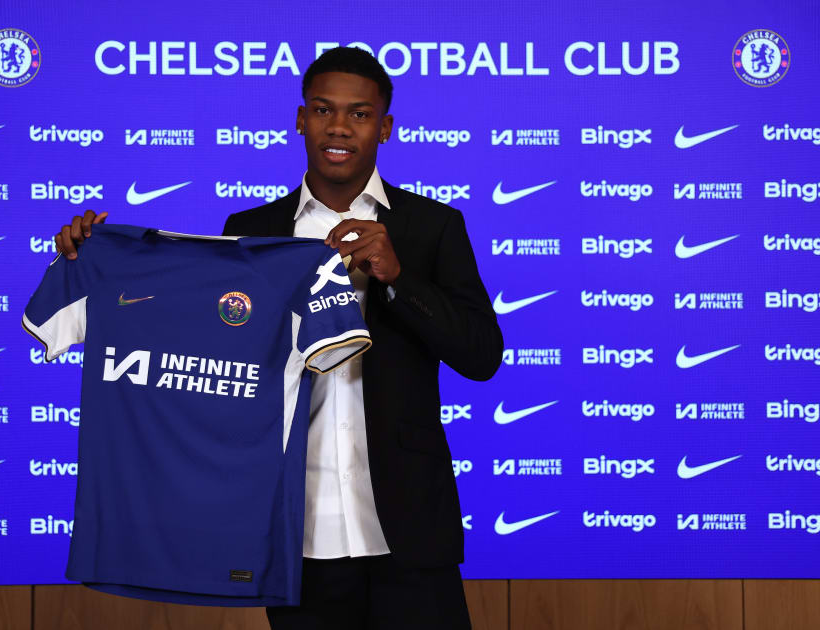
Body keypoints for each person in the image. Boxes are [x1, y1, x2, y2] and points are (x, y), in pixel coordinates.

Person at [55, 46, 502, 630]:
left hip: (410, 530)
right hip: (294, 531)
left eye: (359, 113)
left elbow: (481, 354)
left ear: (385, 127)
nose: (338, 126)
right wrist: (99, 264)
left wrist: (398, 278)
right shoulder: (250, 232)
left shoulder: (433, 226)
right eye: (323, 109)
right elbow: (199, 351)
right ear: (300, 119)